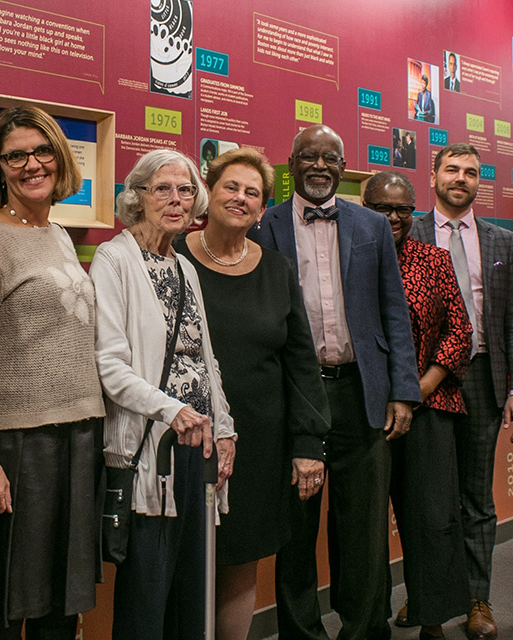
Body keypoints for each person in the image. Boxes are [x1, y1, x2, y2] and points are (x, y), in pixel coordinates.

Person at [249, 124, 420, 640]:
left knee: (364, 525)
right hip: (294, 393)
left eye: (330, 158)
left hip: (360, 391)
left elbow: (394, 311)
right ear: (291, 164)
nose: (320, 166)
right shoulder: (264, 226)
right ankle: (301, 632)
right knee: (295, 528)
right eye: (309, 156)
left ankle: (364, 628)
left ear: (344, 168)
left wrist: (402, 391)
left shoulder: (372, 226)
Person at [0, 105, 105, 639]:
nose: (32, 164)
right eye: (15, 156)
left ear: (60, 156)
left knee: (59, 608)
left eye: (42, 151)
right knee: (2, 607)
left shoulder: (58, 233)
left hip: (77, 437)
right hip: (17, 443)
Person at [174, 148, 329, 640]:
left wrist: (308, 443)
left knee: (242, 561)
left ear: (263, 208)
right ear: (208, 193)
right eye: (231, 187)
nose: (240, 198)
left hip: (260, 446)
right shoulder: (170, 256)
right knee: (180, 561)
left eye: (253, 193)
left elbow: (301, 363)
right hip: (181, 437)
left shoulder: (278, 269)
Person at [90, 149, 236, 640]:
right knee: (147, 598)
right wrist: (173, 411)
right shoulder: (115, 259)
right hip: (152, 451)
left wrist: (224, 429)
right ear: (137, 197)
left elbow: (206, 359)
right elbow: (110, 365)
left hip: (198, 450)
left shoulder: (185, 266)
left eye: (186, 190)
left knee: (193, 595)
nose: (176, 200)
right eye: (163, 189)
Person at [407, 143, 513, 640]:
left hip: (481, 376)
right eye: (452, 169)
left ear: (480, 181)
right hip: (425, 382)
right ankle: (427, 595)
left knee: (477, 497)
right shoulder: (407, 231)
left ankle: (477, 598)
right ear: (433, 176)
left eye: (471, 172)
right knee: (426, 496)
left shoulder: (502, 241)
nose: (461, 178)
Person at [363, 171, 472, 640]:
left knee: (432, 518)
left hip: (429, 407)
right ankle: (369, 620)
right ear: (363, 209)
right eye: (382, 208)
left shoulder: (434, 259)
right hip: (365, 411)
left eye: (403, 209)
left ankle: (433, 618)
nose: (394, 217)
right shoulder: (351, 260)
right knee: (365, 525)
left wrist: (415, 391)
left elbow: (460, 332)